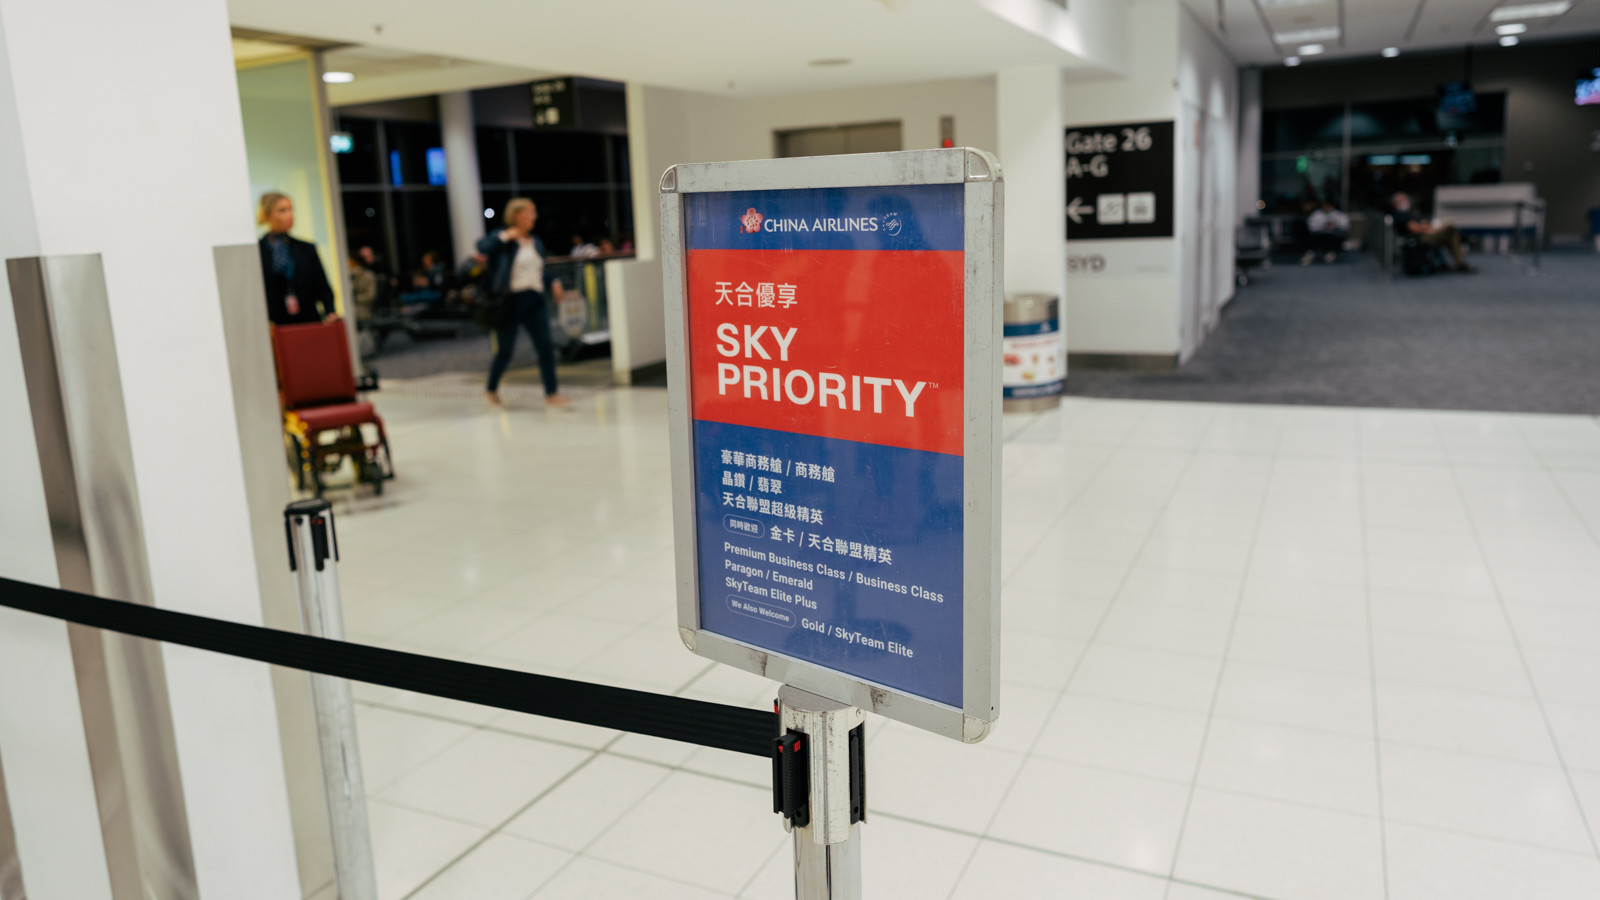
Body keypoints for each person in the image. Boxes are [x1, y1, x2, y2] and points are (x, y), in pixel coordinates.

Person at [478, 198, 570, 407]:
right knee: (505, 350)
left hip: (534, 300)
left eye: (534, 213)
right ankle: (491, 388)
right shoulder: (504, 239)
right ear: (516, 215)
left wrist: (554, 282)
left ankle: (552, 393)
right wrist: (504, 236)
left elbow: (539, 269)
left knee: (545, 347)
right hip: (511, 301)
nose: (533, 217)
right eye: (529, 212)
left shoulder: (535, 242)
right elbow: (482, 247)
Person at [257, 193, 335, 325]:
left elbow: (322, 284)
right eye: (282, 210)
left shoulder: (306, 248)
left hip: (309, 319)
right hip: (276, 322)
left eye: (291, 209)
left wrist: (330, 311)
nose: (290, 215)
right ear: (267, 214)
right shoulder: (258, 251)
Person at [1392, 192, 1475, 273]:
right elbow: (1416, 229)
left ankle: (1460, 264)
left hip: (1428, 234)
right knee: (1450, 224)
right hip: (1420, 239)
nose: (1405, 201)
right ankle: (1464, 238)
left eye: (1406, 199)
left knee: (1452, 235)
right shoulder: (1400, 215)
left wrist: (1425, 227)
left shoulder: (1410, 213)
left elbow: (1424, 224)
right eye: (1402, 200)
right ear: (1395, 203)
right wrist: (1426, 228)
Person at [1303, 200, 1350, 265]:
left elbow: (1345, 225)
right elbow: (1311, 226)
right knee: (1312, 238)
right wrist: (1323, 225)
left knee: (1339, 236)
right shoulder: (1316, 214)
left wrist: (1335, 225)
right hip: (1320, 234)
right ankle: (1311, 254)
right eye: (1325, 206)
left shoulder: (1338, 214)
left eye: (1328, 206)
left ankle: (1331, 254)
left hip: (1334, 234)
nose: (1327, 208)